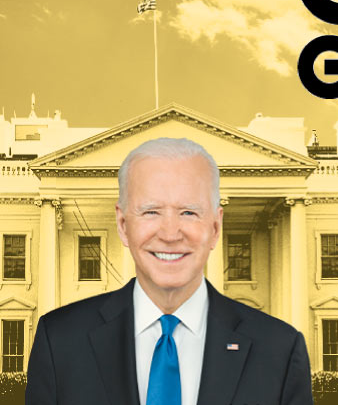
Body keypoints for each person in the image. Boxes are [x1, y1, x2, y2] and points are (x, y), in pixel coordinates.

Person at [26, 138, 312, 405]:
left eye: (188, 212)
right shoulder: (59, 342)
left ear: (215, 228)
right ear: (123, 225)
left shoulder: (280, 351)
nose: (170, 234)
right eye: (151, 211)